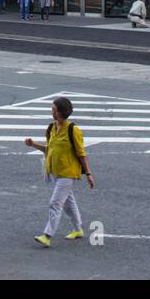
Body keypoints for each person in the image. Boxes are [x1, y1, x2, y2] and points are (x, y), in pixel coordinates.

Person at [24, 97, 93, 247]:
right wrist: (33, 144)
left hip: (68, 173)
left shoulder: (73, 130)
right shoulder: (51, 128)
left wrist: (88, 174)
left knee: (55, 203)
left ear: (62, 112)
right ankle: (78, 229)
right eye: (52, 109)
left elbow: (81, 153)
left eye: (54, 110)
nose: (52, 112)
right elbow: (49, 149)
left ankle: (47, 235)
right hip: (55, 171)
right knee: (69, 202)